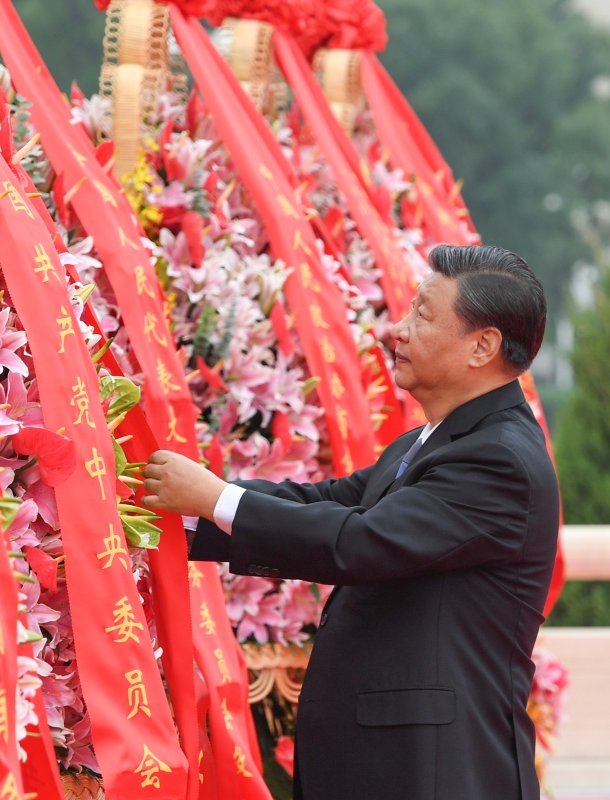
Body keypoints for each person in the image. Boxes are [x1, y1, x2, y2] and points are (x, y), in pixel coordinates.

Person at [143, 244, 560, 800]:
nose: (397, 330)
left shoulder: (498, 459)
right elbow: (325, 501)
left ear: (482, 346)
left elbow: (361, 542)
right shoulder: (428, 442)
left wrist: (215, 497)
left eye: (423, 315)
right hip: (392, 762)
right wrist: (175, 515)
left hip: (434, 770)